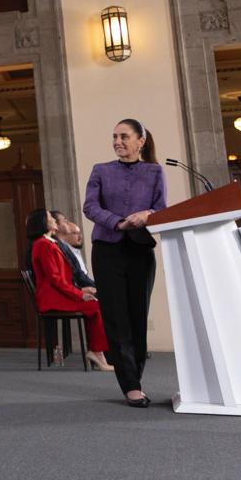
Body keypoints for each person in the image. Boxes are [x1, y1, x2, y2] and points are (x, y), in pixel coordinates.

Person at [82, 118, 167, 408]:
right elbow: (90, 207)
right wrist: (118, 222)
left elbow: (161, 208)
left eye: (124, 136)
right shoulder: (101, 170)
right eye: (114, 136)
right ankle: (131, 385)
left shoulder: (155, 171)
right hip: (107, 250)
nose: (117, 141)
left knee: (137, 316)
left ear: (140, 141)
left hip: (140, 250)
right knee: (116, 317)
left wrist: (147, 214)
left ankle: (134, 377)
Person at [25, 208, 112, 372]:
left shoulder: (48, 243)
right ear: (43, 223)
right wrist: (79, 295)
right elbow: (55, 279)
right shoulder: (42, 245)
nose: (54, 220)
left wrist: (81, 290)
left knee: (96, 305)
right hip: (52, 299)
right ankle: (97, 353)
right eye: (50, 217)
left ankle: (97, 352)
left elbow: (62, 279)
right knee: (96, 306)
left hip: (58, 294)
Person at [51, 210, 96, 289]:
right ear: (56, 225)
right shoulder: (55, 246)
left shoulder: (62, 246)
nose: (67, 223)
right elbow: (75, 275)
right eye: (64, 220)